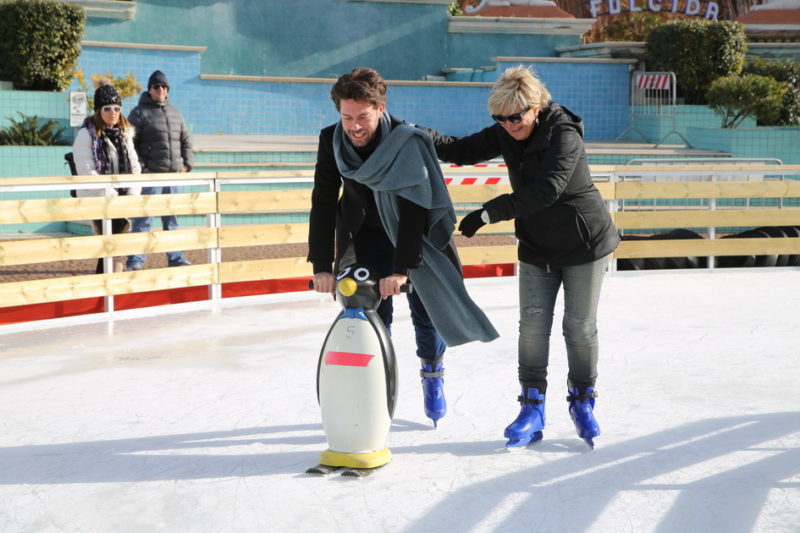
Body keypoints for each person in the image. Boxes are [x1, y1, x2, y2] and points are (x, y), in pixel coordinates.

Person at [426, 66, 620, 447]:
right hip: (537, 244)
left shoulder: (563, 134)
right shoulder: (507, 130)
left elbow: (547, 189)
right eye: (500, 119)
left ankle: (583, 401)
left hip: (583, 243)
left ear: (536, 107)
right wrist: (411, 131)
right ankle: (532, 409)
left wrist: (488, 213)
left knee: (579, 326)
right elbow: (460, 150)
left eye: (515, 118)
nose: (508, 125)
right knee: (531, 327)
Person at [307, 67, 498, 427]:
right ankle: (377, 386)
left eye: (362, 117)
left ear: (380, 108)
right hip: (366, 236)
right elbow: (323, 201)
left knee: (426, 313)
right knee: (371, 316)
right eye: (347, 117)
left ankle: (432, 371)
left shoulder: (405, 140)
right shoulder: (331, 139)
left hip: (414, 235)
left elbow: (414, 209)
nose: (354, 126)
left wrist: (401, 269)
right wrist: (321, 264)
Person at [125, 70, 193, 271]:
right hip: (151, 176)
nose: (160, 89)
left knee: (172, 218)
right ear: (150, 90)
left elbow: (186, 140)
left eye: (164, 86)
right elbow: (129, 143)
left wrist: (187, 164)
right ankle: (135, 260)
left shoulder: (175, 113)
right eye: (156, 86)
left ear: (167, 90)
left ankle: (176, 258)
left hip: (173, 175)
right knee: (144, 218)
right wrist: (143, 166)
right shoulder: (138, 113)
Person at [72, 83, 141, 274]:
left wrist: (131, 193)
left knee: (114, 247)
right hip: (98, 198)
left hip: (122, 199)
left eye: (117, 108)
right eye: (107, 108)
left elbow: (135, 167)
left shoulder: (124, 134)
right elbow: (86, 170)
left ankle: (111, 285)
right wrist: (110, 194)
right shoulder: (87, 135)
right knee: (110, 247)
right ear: (98, 111)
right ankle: (109, 285)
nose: (113, 113)